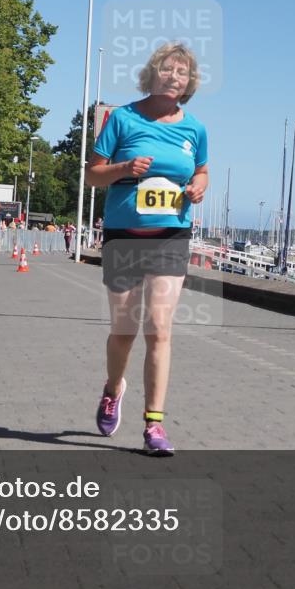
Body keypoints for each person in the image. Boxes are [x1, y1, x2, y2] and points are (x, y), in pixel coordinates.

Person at [85, 42, 208, 456]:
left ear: (189, 83)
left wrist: (199, 186)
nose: (175, 77)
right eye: (168, 69)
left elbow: (203, 170)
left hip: (171, 236)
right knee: (124, 331)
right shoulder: (122, 118)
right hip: (124, 235)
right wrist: (123, 168)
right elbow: (92, 175)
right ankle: (112, 389)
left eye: (183, 72)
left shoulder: (195, 129)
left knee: (159, 329)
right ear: (152, 74)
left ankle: (154, 425)